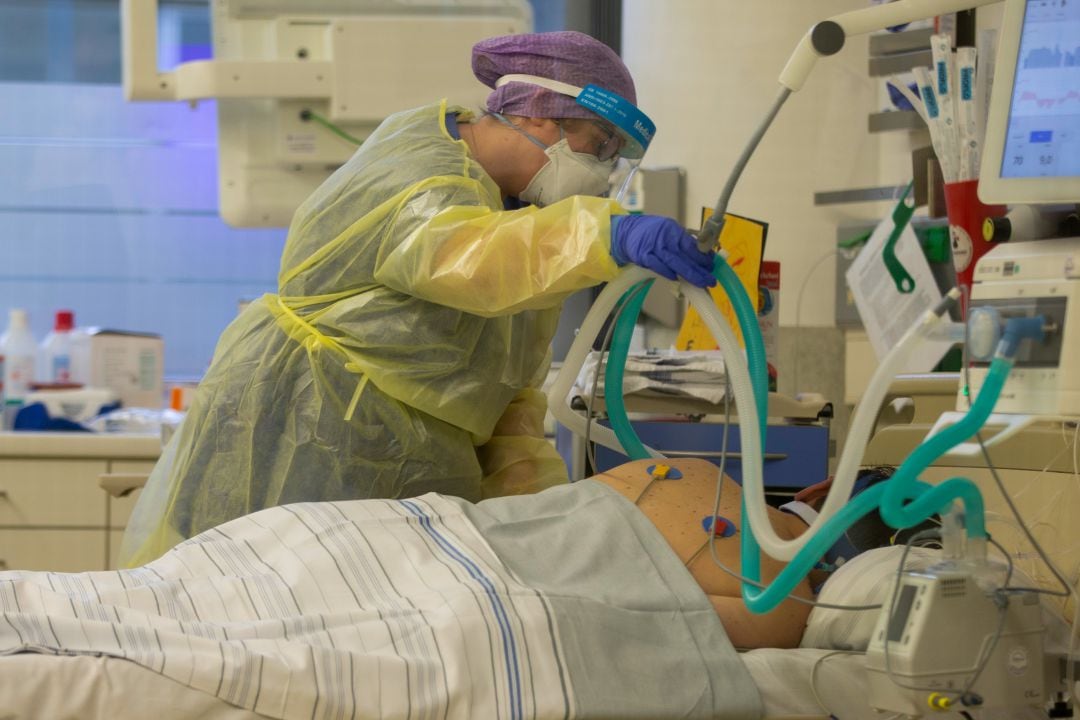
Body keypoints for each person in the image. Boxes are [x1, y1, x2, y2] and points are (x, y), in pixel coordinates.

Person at [119, 31, 717, 567]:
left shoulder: (527, 233)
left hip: (403, 475)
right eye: (599, 145)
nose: (603, 171)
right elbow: (459, 256)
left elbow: (509, 398)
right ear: (539, 112)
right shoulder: (421, 164)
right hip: (295, 430)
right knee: (235, 621)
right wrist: (605, 233)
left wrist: (544, 528)